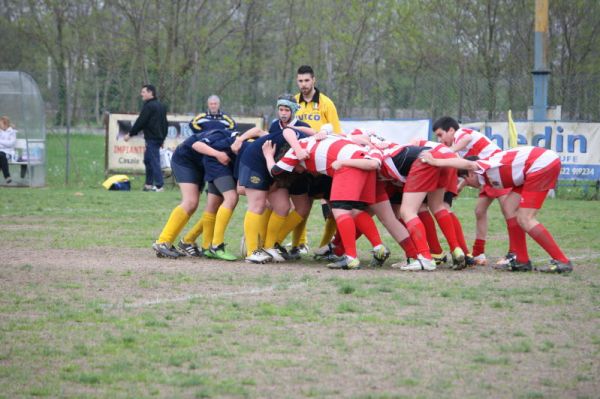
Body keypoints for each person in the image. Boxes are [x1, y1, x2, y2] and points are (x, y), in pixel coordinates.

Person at [421, 146, 572, 274]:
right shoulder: (486, 173)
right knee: (509, 208)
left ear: (472, 174)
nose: (466, 185)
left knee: (525, 218)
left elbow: (467, 164)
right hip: (533, 167)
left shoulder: (481, 166)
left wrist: (436, 161)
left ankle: (562, 261)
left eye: (465, 181)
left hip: (540, 164)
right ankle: (521, 259)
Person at [264, 134, 391, 270]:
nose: (298, 172)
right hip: (364, 160)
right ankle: (379, 247)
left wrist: (268, 155)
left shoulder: (293, 152)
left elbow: (275, 171)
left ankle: (351, 258)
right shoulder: (314, 138)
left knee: (340, 211)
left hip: (349, 165)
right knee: (355, 211)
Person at [238, 94, 315, 263]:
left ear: (294, 111)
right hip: (257, 162)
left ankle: (269, 246)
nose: (283, 113)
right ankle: (252, 251)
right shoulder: (288, 131)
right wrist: (299, 152)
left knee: (282, 206)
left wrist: (323, 133)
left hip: (274, 167)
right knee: (258, 204)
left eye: (287, 109)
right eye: (281, 109)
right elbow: (286, 137)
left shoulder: (303, 131)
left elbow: (311, 133)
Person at [432, 116, 512, 267]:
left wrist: (449, 152)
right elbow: (470, 171)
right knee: (479, 211)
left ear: (451, 130)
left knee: (509, 213)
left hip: (499, 172)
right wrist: (460, 186)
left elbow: (468, 138)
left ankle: (514, 253)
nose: (440, 140)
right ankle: (478, 252)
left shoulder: (460, 134)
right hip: (487, 176)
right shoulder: (459, 150)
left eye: (441, 135)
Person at [151, 130, 231, 258]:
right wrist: (218, 154)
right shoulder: (223, 136)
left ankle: (187, 241)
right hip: (186, 160)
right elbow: (197, 145)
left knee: (214, 205)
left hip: (204, 165)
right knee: (191, 202)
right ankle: (163, 241)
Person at [292, 65, 342, 257]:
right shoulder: (293, 103)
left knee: (332, 205)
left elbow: (336, 131)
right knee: (301, 206)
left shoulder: (326, 103)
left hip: (322, 163)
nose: (303, 84)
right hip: (300, 162)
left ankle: (326, 247)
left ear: (314, 80)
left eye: (306, 80)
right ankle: (297, 245)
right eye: (300, 81)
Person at [124, 84, 168, 192]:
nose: (141, 94)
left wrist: (130, 134)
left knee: (153, 161)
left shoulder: (148, 106)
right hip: (157, 138)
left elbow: (141, 122)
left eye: (143, 92)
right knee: (148, 160)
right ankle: (148, 184)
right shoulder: (161, 106)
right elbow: (165, 124)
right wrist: (162, 139)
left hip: (152, 138)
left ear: (150, 93)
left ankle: (159, 185)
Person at [0, 116, 17, 184]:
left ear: (5, 124)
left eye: (0, 124)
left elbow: (11, 143)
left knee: (2, 155)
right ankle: (7, 177)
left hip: (8, 153)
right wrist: (5, 143)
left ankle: (7, 176)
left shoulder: (12, 132)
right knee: (1, 155)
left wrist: (0, 142)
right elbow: (7, 143)